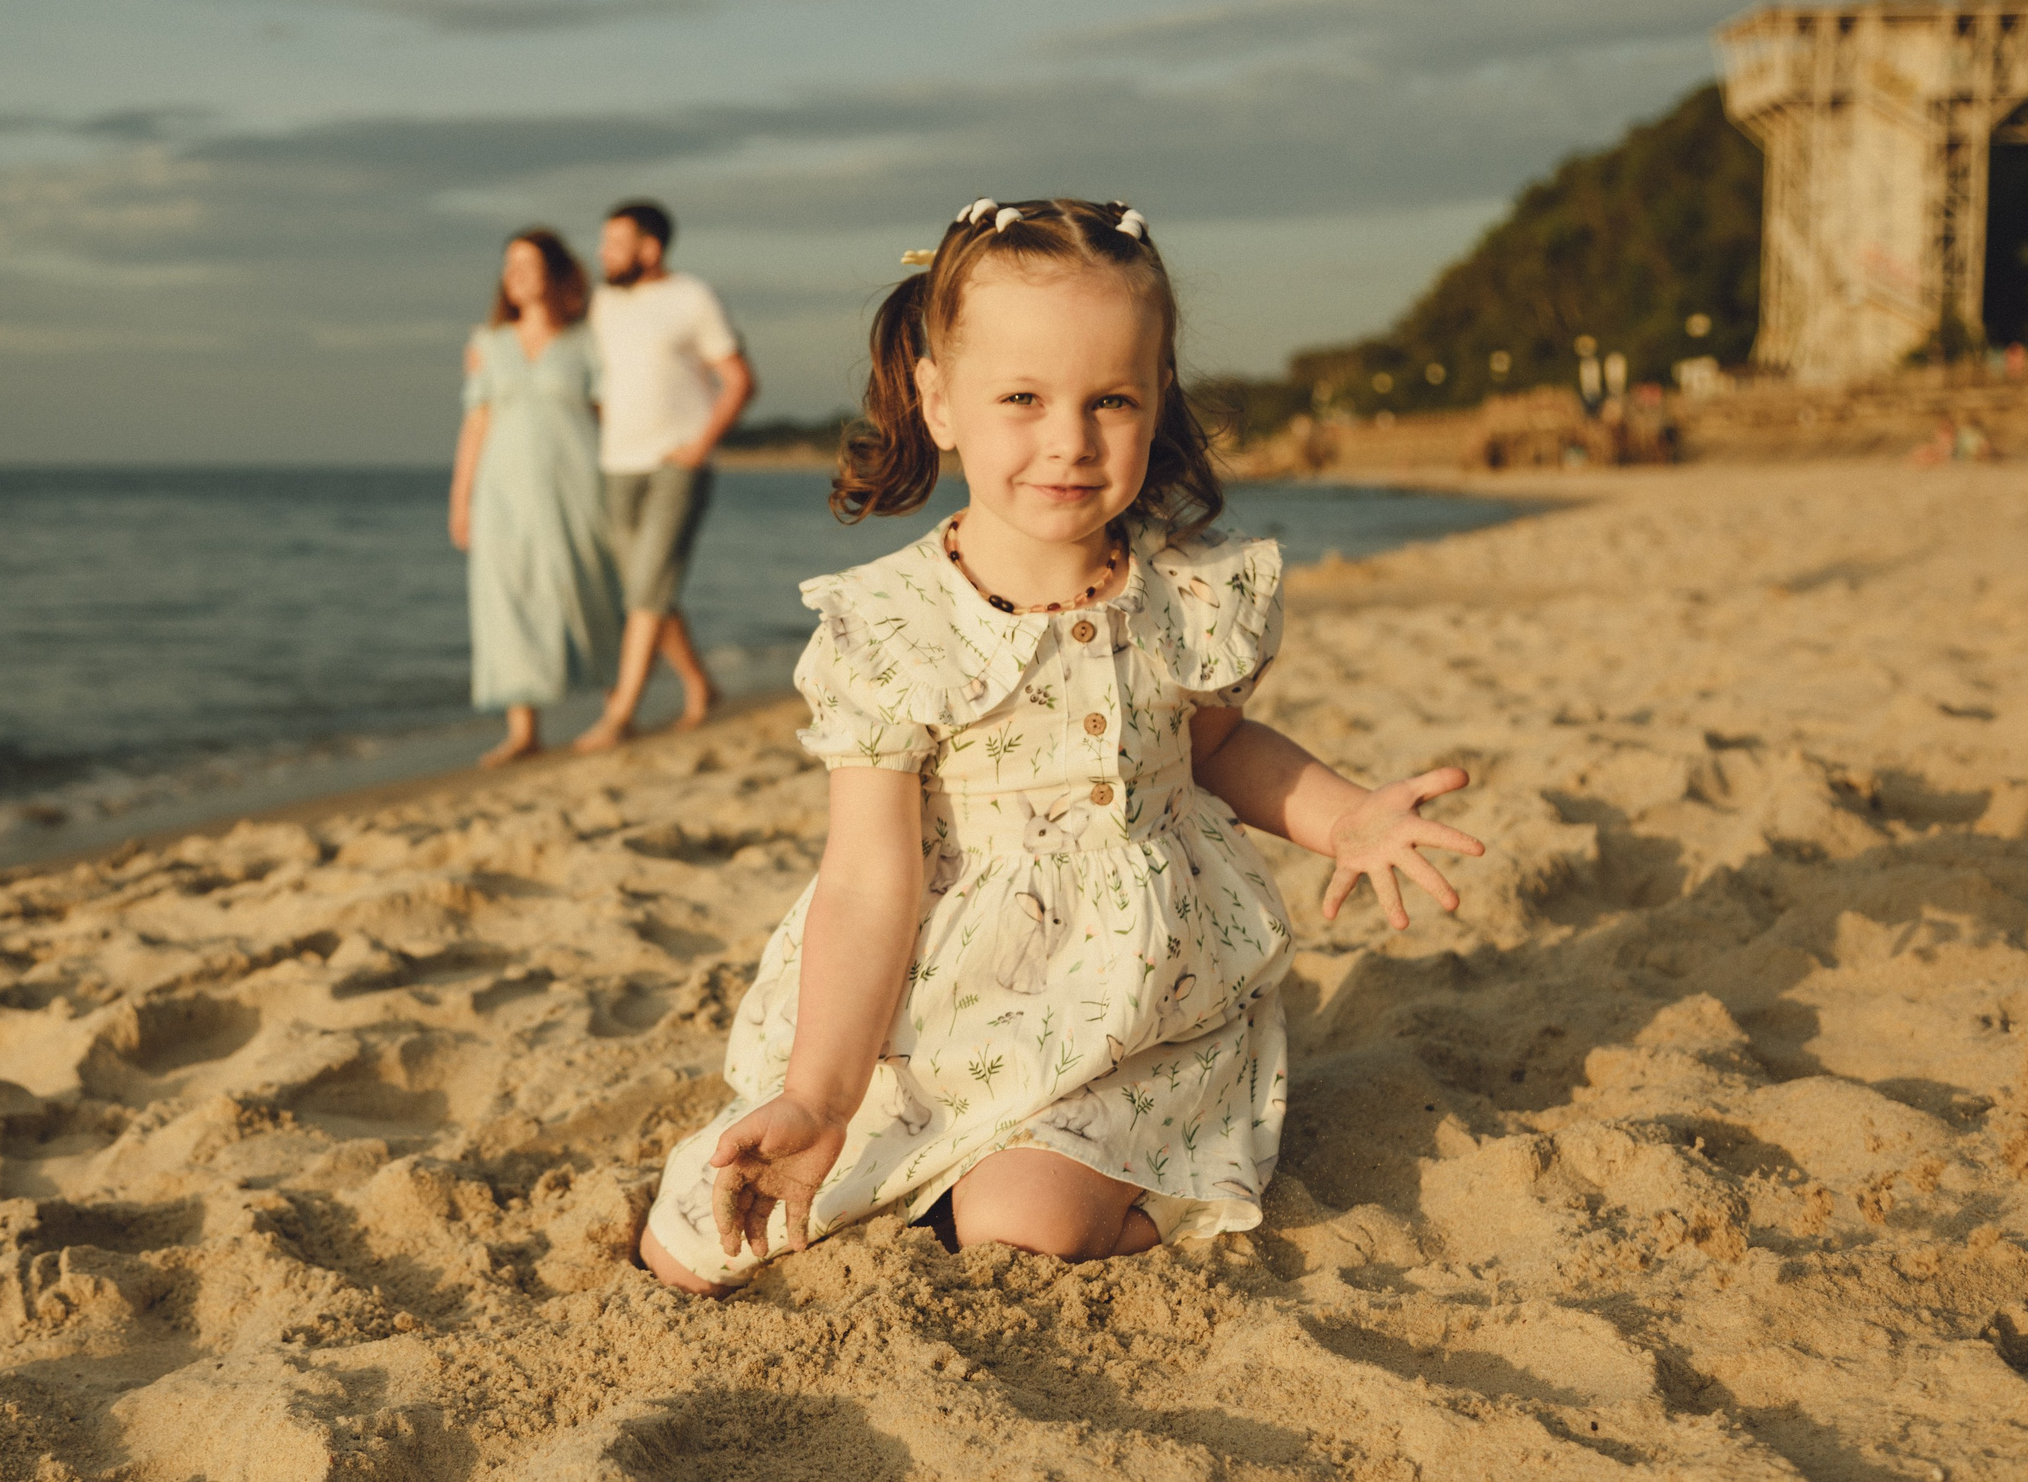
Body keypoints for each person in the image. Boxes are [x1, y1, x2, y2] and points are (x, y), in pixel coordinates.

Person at [637, 196, 1484, 1293]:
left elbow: (1219, 751)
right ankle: (919, 1158)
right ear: (939, 400)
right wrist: (820, 1097)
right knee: (688, 1248)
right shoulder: (891, 627)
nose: (1070, 441)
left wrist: (1344, 817)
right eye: (1022, 398)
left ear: (1157, 399)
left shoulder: (1184, 594)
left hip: (1138, 1010)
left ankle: (1142, 1180)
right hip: (935, 1006)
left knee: (1017, 1225)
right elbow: (866, 881)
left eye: (1111, 400)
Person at [572, 200, 756, 752]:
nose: (603, 253)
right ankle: (700, 685)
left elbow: (738, 379)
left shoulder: (692, 296)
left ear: (650, 248)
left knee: (648, 589)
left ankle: (620, 713)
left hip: (676, 465)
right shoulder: (602, 303)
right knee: (645, 588)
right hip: (616, 463)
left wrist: (700, 446)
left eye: (615, 243)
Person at [447, 229, 623, 767]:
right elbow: (476, 424)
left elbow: (609, 415)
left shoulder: (587, 340)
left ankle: (619, 708)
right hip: (501, 493)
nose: (515, 274)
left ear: (555, 272)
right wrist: (460, 499)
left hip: (579, 487)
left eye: (527, 263)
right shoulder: (487, 344)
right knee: (507, 601)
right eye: (509, 265)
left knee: (592, 588)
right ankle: (523, 730)